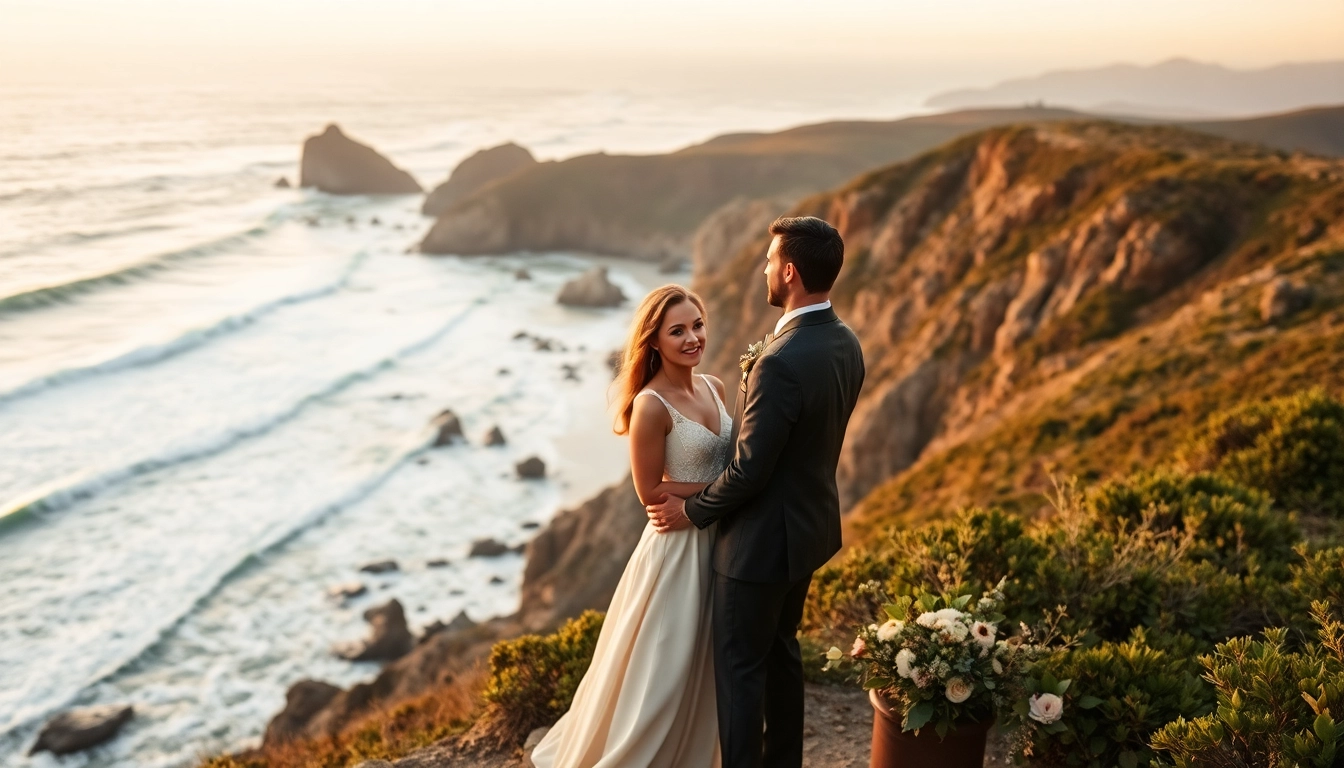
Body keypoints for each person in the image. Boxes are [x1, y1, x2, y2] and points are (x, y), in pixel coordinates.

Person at [647, 216, 865, 768]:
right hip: (809, 534)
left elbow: (748, 472)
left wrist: (691, 511)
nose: (762, 268)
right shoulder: (845, 341)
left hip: (758, 548)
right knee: (781, 657)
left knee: (741, 673)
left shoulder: (779, 361)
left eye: (769, 261)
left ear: (789, 272)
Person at [531, 284, 729, 767]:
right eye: (677, 330)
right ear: (654, 341)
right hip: (677, 547)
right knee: (664, 664)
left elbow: (732, 466)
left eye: (697, 325)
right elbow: (651, 494)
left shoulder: (717, 387)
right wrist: (728, 489)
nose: (692, 338)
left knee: (708, 660)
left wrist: (724, 490)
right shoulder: (650, 405)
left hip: (722, 541)